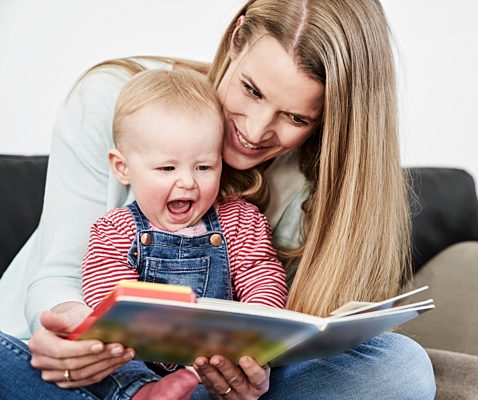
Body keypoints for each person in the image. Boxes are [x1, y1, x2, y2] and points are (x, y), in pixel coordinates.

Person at [0, 0, 437, 399]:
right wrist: (71, 328)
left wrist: (257, 361)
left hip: (196, 380)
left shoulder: (313, 184)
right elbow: (63, 271)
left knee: (400, 367)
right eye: (251, 89)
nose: (256, 130)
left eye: (296, 117)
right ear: (237, 39)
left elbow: (270, 303)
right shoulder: (120, 101)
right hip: (65, 365)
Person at [82, 68, 287, 313]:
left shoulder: (240, 223)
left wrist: (257, 327)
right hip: (144, 345)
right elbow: (109, 303)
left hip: (219, 345)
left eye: (203, 166)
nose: (188, 182)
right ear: (122, 167)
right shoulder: (115, 232)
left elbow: (263, 280)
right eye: (167, 168)